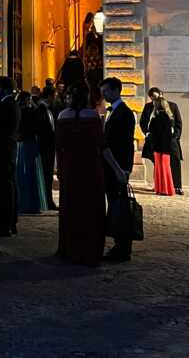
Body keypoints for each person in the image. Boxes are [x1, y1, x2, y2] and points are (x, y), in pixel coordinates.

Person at [54, 82, 106, 266]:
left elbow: (58, 145)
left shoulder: (62, 116)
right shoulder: (92, 116)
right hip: (90, 167)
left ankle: (70, 246)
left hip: (70, 167)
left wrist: (58, 168)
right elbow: (101, 144)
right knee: (90, 207)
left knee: (70, 206)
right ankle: (89, 247)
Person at [101, 77, 136, 263]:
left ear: (115, 91)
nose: (103, 94)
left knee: (119, 206)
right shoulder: (113, 112)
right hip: (112, 166)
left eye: (106, 91)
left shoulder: (124, 113)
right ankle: (119, 244)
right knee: (115, 204)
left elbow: (126, 145)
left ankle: (123, 247)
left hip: (118, 166)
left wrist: (123, 170)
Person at [0, 76, 21, 237]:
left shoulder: (7, 105)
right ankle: (11, 223)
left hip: (4, 150)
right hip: (8, 149)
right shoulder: (11, 104)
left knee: (6, 189)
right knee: (9, 188)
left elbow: (0, 129)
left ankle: (6, 224)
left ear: (3, 88)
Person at [142, 87, 184, 194]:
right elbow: (144, 122)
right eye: (152, 98)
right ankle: (161, 186)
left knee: (174, 162)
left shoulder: (172, 106)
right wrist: (147, 134)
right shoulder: (148, 107)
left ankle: (177, 186)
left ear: (161, 94)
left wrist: (175, 136)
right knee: (158, 163)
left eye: (156, 96)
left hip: (170, 140)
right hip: (155, 140)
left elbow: (178, 123)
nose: (154, 99)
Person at [16, 90, 48, 214]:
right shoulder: (32, 111)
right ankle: (32, 204)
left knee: (23, 174)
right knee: (31, 173)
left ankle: (24, 203)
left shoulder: (21, 111)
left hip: (23, 143)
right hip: (30, 143)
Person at [147, 98, 176, 196]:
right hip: (166, 146)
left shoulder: (156, 118)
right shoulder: (170, 118)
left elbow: (150, 129)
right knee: (166, 168)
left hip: (157, 146)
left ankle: (160, 189)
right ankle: (168, 189)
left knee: (159, 168)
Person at [35, 86, 58, 210]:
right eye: (55, 95)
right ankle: (46, 201)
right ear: (50, 96)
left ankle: (48, 201)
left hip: (48, 148)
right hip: (44, 149)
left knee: (48, 176)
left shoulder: (48, 109)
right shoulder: (41, 109)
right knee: (45, 176)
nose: (56, 98)